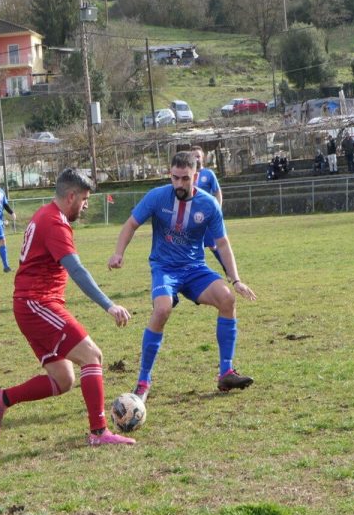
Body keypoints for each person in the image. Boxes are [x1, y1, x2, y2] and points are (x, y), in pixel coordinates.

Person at [0, 168, 135, 446]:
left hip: (32, 303)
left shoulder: (46, 214)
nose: (87, 204)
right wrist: (109, 305)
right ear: (71, 196)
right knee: (92, 355)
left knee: (63, 379)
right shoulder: (54, 222)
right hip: (37, 303)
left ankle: (2, 398)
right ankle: (99, 432)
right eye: (85, 199)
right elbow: (77, 270)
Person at [108, 151, 258, 402]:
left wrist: (236, 279)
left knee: (227, 299)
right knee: (162, 310)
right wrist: (118, 253)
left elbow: (222, 244)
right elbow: (131, 224)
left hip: (194, 269)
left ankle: (226, 372)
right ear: (170, 175)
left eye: (185, 179)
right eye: (175, 178)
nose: (179, 184)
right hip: (164, 268)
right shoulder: (157, 197)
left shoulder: (209, 204)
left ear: (196, 177)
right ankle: (143, 382)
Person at [192, 146, 226, 274]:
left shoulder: (208, 174)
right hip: (191, 217)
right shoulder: (188, 175)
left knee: (212, 245)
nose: (196, 158)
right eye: (193, 156)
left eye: (198, 156)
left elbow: (217, 192)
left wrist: (218, 209)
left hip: (206, 216)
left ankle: (226, 268)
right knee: (193, 246)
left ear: (203, 158)